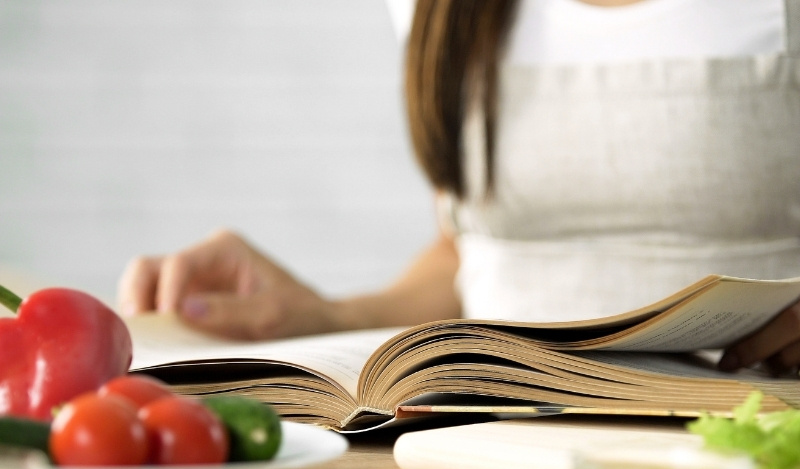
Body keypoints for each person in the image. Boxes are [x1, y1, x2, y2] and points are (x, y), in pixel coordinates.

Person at [118, 0, 800, 375]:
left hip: (749, 464)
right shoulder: (437, 12)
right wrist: (331, 316)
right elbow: (474, 253)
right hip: (494, 456)